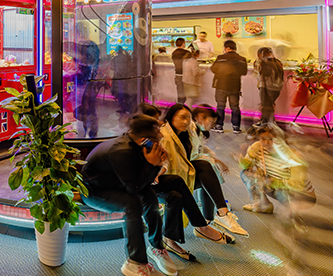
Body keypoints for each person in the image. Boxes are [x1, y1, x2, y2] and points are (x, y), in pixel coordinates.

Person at [81, 114, 228, 276]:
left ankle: (161, 245)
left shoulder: (138, 144)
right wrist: (152, 164)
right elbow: (135, 187)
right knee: (133, 204)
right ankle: (135, 263)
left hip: (119, 184)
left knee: (166, 190)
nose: (161, 137)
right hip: (96, 192)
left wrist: (156, 164)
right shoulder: (121, 151)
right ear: (145, 139)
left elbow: (142, 181)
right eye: (158, 135)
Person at [158, 104, 248, 255]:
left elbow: (193, 155)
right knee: (185, 187)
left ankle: (217, 216)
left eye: (188, 118)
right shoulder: (166, 136)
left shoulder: (184, 135)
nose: (186, 122)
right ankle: (200, 227)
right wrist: (214, 160)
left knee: (207, 174)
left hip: (178, 175)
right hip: (164, 180)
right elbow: (168, 163)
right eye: (182, 117)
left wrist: (213, 160)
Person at [239, 126, 316, 215]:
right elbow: (247, 166)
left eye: (271, 139)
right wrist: (245, 158)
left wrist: (270, 181)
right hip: (277, 186)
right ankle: (263, 204)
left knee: (280, 193)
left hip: (301, 195)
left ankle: (292, 208)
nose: (266, 143)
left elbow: (296, 183)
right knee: (247, 174)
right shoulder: (258, 148)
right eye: (263, 139)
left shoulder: (293, 155)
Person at [210, 40, 248, 133]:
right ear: (235, 48)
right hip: (235, 86)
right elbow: (244, 72)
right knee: (235, 107)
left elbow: (213, 69)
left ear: (226, 48)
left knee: (220, 106)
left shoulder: (220, 58)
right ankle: (236, 127)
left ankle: (219, 126)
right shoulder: (241, 59)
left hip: (221, 85)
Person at [253, 47, 284, 125]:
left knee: (265, 106)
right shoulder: (277, 62)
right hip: (277, 88)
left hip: (266, 87)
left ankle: (266, 123)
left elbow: (261, 77)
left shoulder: (264, 63)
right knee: (270, 105)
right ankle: (271, 122)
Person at [171, 38, 189, 104]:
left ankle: (180, 105)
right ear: (183, 44)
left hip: (178, 74)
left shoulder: (174, 53)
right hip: (186, 74)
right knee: (188, 93)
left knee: (180, 92)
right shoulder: (187, 53)